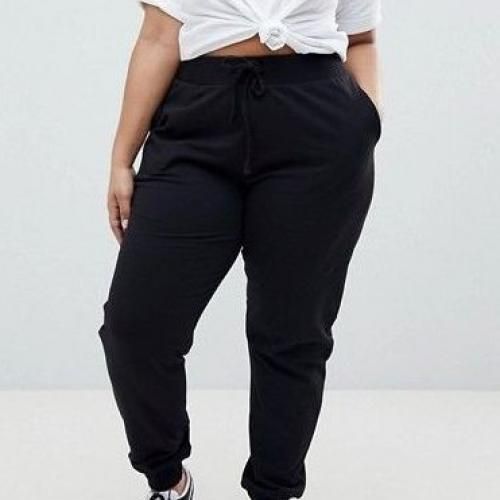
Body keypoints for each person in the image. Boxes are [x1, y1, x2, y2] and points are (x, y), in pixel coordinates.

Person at [97, 0, 383, 499]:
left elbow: (361, 37)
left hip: (318, 127)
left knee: (292, 332)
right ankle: (167, 478)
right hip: (196, 126)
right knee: (136, 327)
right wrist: (123, 157)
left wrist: (366, 121)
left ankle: (274, 490)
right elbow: (159, 36)